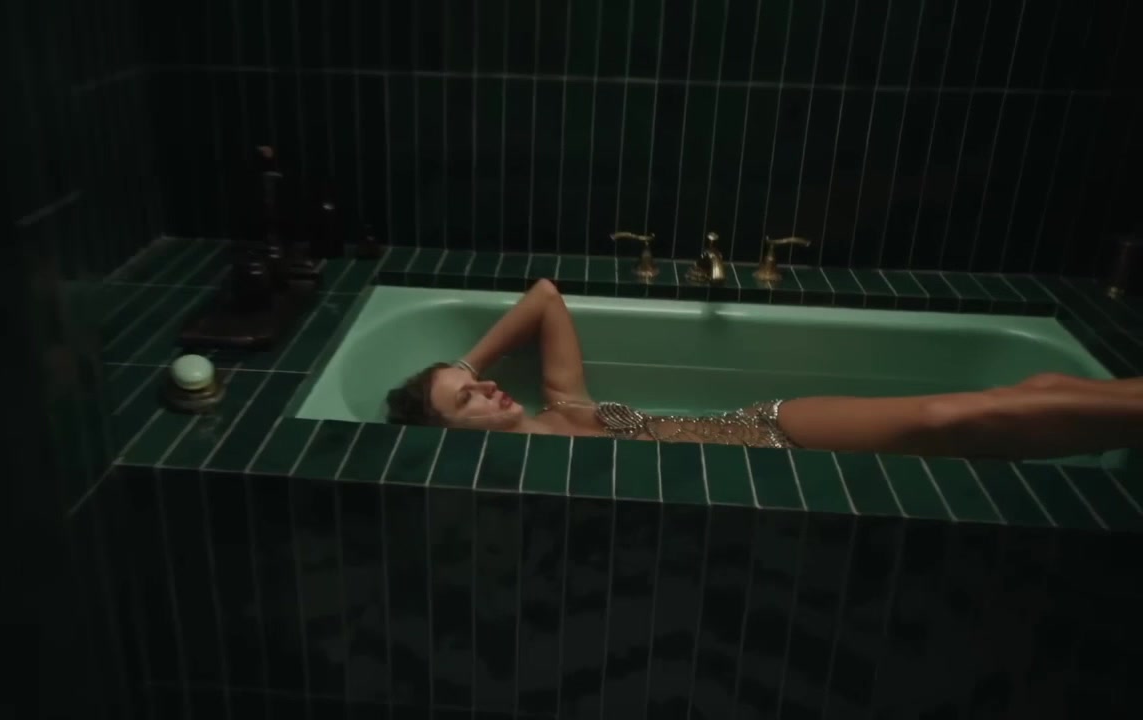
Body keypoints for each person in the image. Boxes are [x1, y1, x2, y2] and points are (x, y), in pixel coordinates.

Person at [385, 279, 1143, 460]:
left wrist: (460, 364)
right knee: (1011, 402)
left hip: (766, 430)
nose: (489, 387)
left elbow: (546, 298)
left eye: (477, 383)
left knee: (963, 413)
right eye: (469, 399)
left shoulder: (565, 408)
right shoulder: (530, 473)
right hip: (764, 463)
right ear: (451, 439)